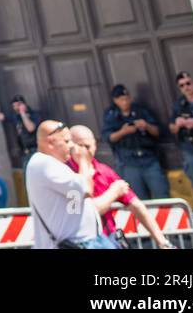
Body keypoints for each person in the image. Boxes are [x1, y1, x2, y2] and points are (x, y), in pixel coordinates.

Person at [68, 126, 171, 249]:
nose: (85, 151)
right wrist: (113, 192)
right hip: (82, 242)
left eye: (88, 146)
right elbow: (83, 212)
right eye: (81, 146)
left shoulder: (105, 171)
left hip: (108, 239)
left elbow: (135, 204)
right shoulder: (65, 173)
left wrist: (162, 242)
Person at [25, 121, 120, 249]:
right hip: (76, 243)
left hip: (85, 241)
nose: (71, 146)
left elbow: (73, 206)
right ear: (50, 142)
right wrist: (83, 161)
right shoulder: (44, 163)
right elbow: (86, 189)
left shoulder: (54, 165)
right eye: (66, 141)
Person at [102, 84, 168, 200]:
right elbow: (108, 137)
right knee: (138, 199)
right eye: (121, 99)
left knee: (162, 194)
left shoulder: (140, 110)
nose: (125, 102)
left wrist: (146, 125)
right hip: (128, 162)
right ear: (115, 100)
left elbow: (157, 132)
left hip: (148, 158)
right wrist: (123, 131)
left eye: (127, 98)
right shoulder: (111, 115)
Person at [0, 95, 44, 163]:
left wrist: (23, 113)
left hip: (37, 151)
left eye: (18, 105)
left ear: (23, 104)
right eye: (14, 106)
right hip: (25, 153)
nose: (16, 108)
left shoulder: (34, 115)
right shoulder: (16, 117)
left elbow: (30, 128)